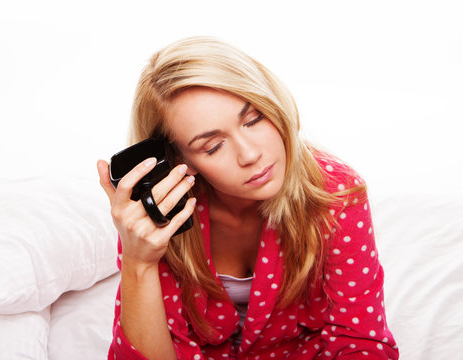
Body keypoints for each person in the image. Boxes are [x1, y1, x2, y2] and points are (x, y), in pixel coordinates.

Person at [97, 36, 399, 360]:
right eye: (213, 146)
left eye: (254, 119)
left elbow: (361, 343)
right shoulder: (161, 213)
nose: (251, 154)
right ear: (179, 160)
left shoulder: (336, 194)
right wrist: (138, 262)